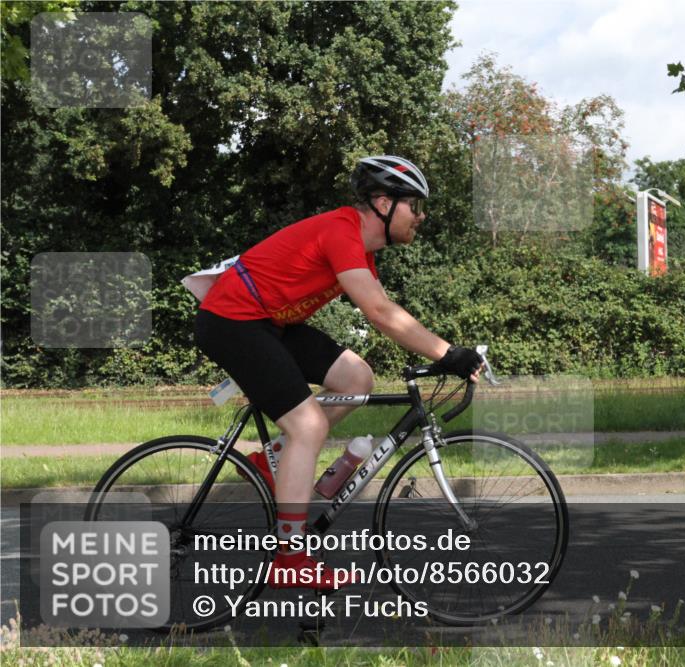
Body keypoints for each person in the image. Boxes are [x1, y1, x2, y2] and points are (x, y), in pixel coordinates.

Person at [194, 155, 483, 589]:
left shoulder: (363, 255)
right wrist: (448, 353)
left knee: (356, 379)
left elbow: (387, 315)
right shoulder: (341, 231)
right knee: (308, 425)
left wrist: (443, 351)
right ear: (384, 202)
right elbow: (381, 313)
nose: (420, 217)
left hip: (270, 323)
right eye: (415, 206)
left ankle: (272, 459)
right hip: (232, 320)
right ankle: (289, 559)